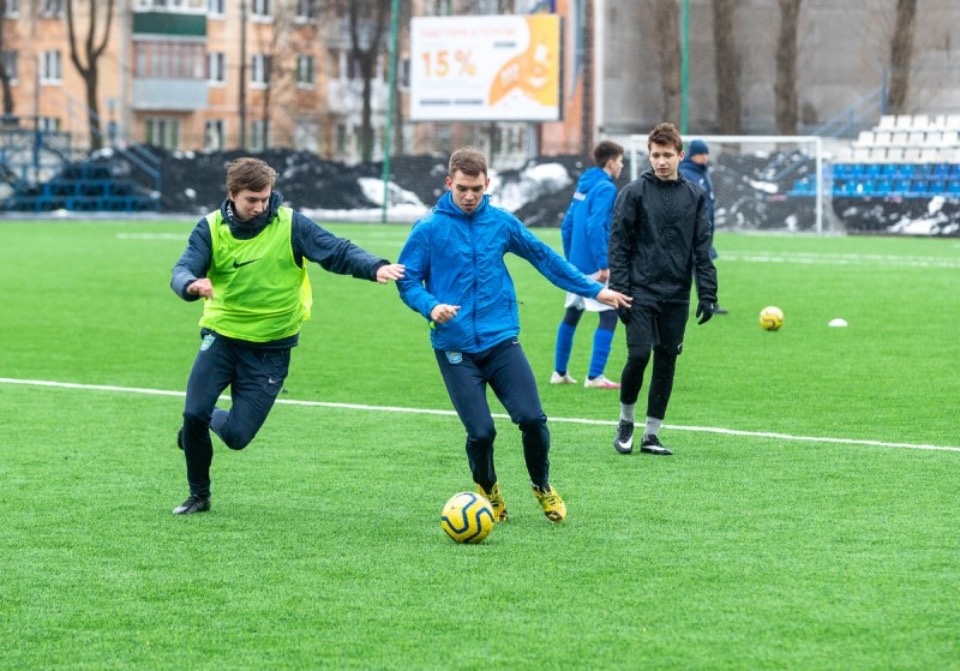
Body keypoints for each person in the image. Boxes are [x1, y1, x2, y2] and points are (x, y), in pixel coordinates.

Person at [397, 147, 631, 523]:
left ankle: (542, 485)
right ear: (448, 183)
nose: (470, 196)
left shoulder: (501, 223)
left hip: (501, 340)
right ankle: (488, 489)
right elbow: (407, 280)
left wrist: (593, 289)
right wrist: (430, 306)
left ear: (487, 184)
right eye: (462, 189)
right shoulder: (428, 229)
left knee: (533, 419)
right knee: (482, 432)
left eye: (476, 188)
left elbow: (543, 257)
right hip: (455, 347)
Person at [169, 157, 405, 515]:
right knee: (193, 412)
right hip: (222, 339)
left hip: (271, 351)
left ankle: (199, 423)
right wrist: (191, 284)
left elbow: (336, 251)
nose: (261, 207)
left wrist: (374, 266)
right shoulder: (210, 228)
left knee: (236, 436)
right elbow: (182, 268)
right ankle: (198, 495)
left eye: (266, 198)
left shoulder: (290, 224)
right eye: (252, 199)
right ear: (231, 195)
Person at [609, 123, 719, 457]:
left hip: (677, 294)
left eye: (667, 155)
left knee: (667, 361)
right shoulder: (633, 192)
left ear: (680, 156)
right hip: (639, 292)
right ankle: (626, 421)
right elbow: (619, 243)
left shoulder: (695, 196)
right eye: (655, 155)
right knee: (639, 355)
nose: (660, 161)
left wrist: (708, 293)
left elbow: (702, 247)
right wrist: (619, 290)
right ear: (649, 155)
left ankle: (651, 434)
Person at [551, 140, 625, 390]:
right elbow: (595, 226)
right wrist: (603, 265)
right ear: (611, 161)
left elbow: (567, 225)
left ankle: (559, 372)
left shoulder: (584, 185)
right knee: (610, 312)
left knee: (572, 313)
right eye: (621, 160)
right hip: (594, 264)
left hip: (576, 263)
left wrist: (571, 261)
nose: (622, 166)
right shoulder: (605, 188)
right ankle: (595, 376)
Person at [677, 139, 728, 314]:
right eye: (702, 154)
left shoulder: (704, 172)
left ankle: (709, 303)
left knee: (703, 268)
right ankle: (673, 303)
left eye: (707, 154)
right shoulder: (686, 173)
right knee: (687, 269)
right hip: (690, 232)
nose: (705, 157)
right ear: (693, 155)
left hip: (704, 230)